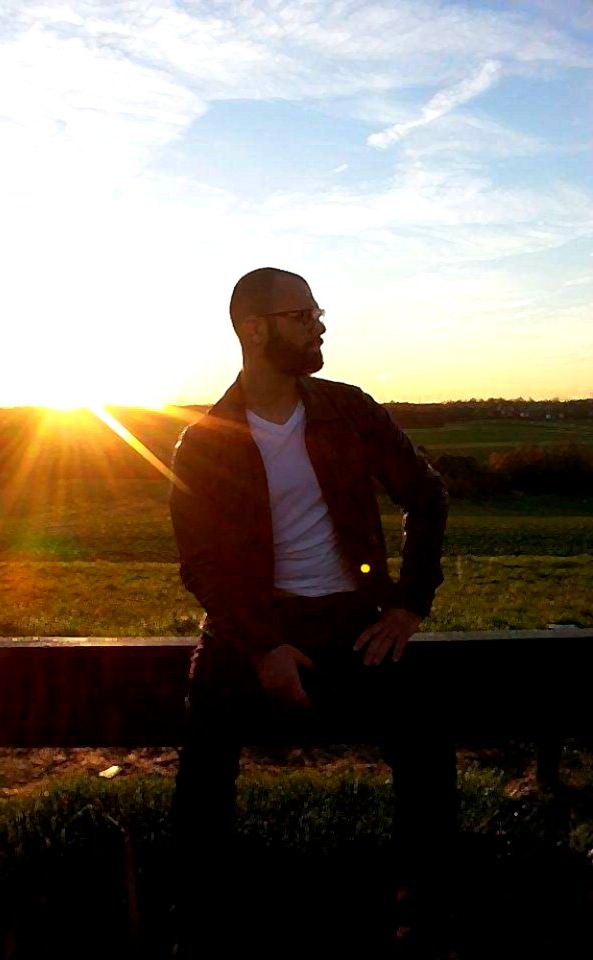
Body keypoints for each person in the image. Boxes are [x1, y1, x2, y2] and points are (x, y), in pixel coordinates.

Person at [168, 267, 458, 958]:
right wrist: (263, 647)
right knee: (203, 751)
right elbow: (201, 565)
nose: (319, 324)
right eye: (302, 315)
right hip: (251, 629)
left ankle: (427, 915)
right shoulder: (205, 442)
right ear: (254, 328)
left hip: (354, 618)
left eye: (317, 311)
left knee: (425, 734)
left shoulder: (350, 411)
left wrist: (410, 607)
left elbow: (428, 495)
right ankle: (201, 924)